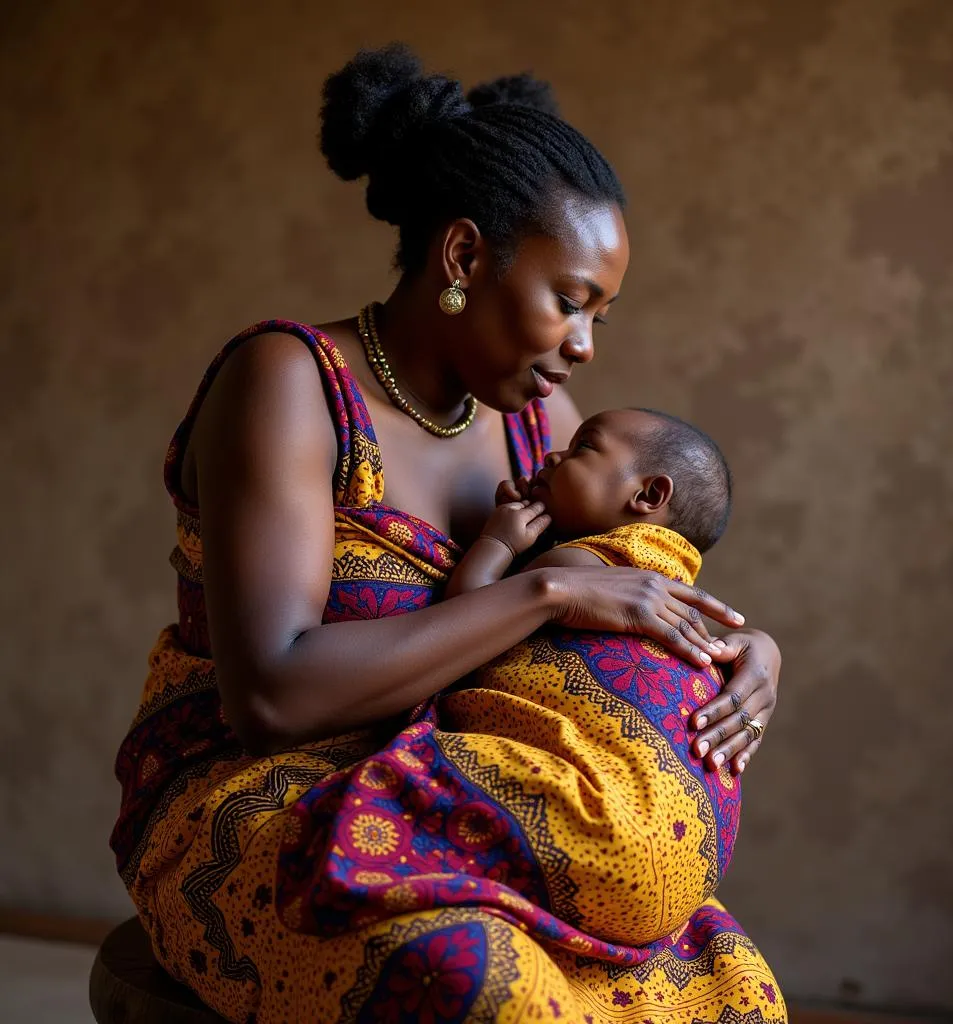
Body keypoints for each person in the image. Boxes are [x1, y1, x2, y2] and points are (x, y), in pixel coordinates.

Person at [110, 44, 786, 1023]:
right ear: (463, 256)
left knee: (725, 985)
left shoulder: (535, 425)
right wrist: (542, 590)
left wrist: (747, 651)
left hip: (465, 794)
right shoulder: (289, 381)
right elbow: (270, 694)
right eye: (569, 301)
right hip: (260, 798)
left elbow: (629, 574)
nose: (586, 345)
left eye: (600, 312)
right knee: (479, 985)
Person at [446, 406, 733, 596]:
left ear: (648, 495)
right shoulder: (670, 576)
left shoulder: (576, 565)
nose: (552, 456)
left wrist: (500, 543)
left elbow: (464, 620)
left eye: (583, 446)